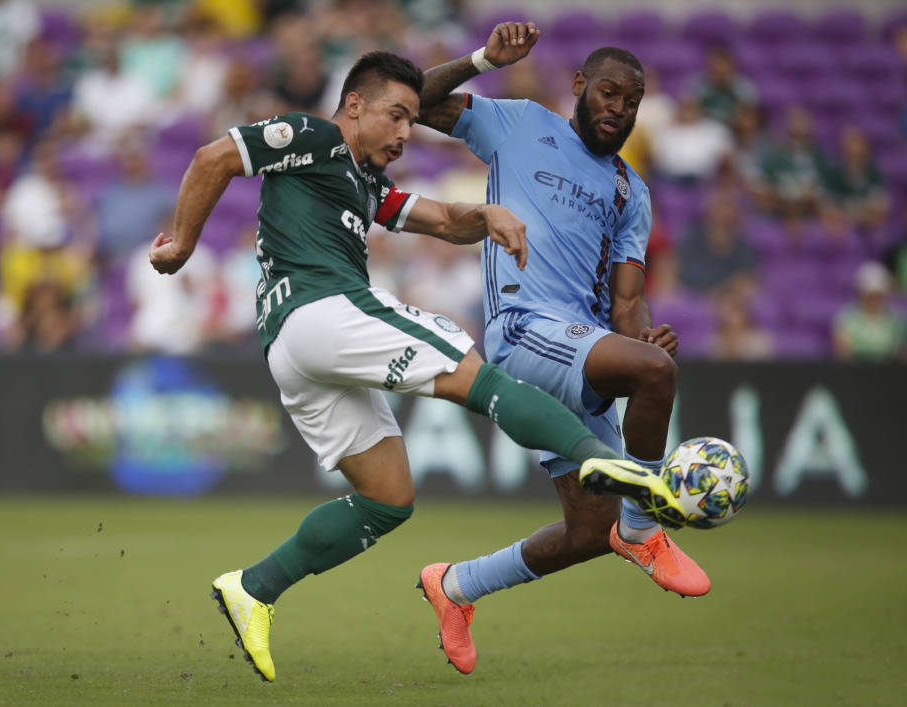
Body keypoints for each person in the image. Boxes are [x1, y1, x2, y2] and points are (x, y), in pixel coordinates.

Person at [148, 50, 685, 683]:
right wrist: (182, 244)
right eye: (397, 116)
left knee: (388, 498)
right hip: (323, 309)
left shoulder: (365, 183)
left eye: (411, 119)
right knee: (474, 371)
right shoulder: (313, 135)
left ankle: (254, 588)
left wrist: (485, 215)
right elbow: (213, 158)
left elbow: (444, 221)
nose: (407, 132)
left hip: (291, 350)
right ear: (354, 106)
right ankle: (605, 460)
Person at [414, 22, 710, 673]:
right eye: (608, 93)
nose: (619, 108)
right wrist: (481, 60)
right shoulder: (519, 123)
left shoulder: (631, 190)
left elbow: (628, 304)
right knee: (655, 378)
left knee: (590, 531)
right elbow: (411, 98)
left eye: (632, 102)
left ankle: (456, 585)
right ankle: (645, 528)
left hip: (579, 345)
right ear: (579, 86)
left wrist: (644, 338)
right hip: (523, 330)